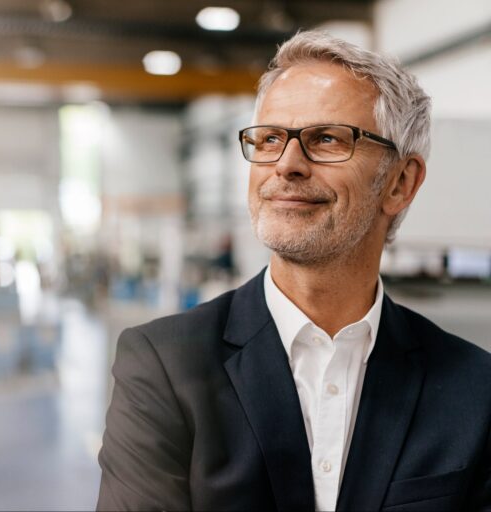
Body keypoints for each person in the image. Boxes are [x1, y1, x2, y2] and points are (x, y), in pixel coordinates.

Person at [97, 31, 491, 511]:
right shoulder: (164, 366)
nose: (286, 165)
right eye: (269, 139)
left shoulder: (474, 390)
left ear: (400, 182)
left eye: (326, 139)